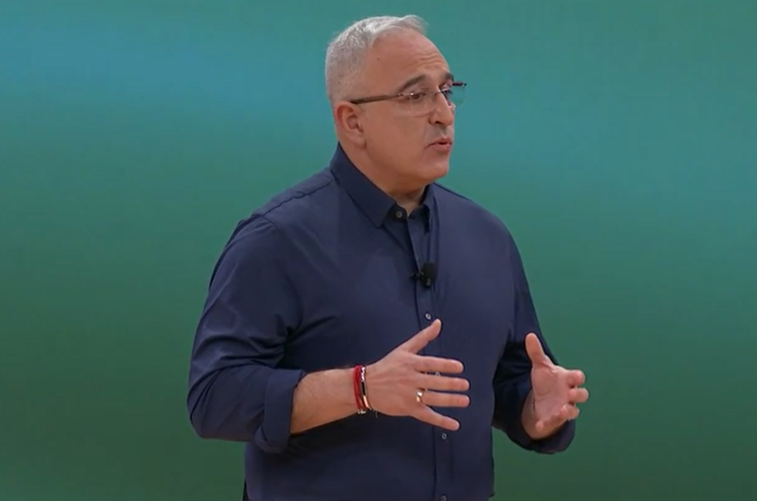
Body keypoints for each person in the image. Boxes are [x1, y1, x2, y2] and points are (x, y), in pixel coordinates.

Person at [186, 14, 589, 501]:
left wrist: (536, 409)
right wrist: (360, 388)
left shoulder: (488, 238)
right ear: (352, 121)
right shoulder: (277, 240)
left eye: (447, 91)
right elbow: (214, 397)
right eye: (415, 96)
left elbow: (507, 382)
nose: (444, 114)